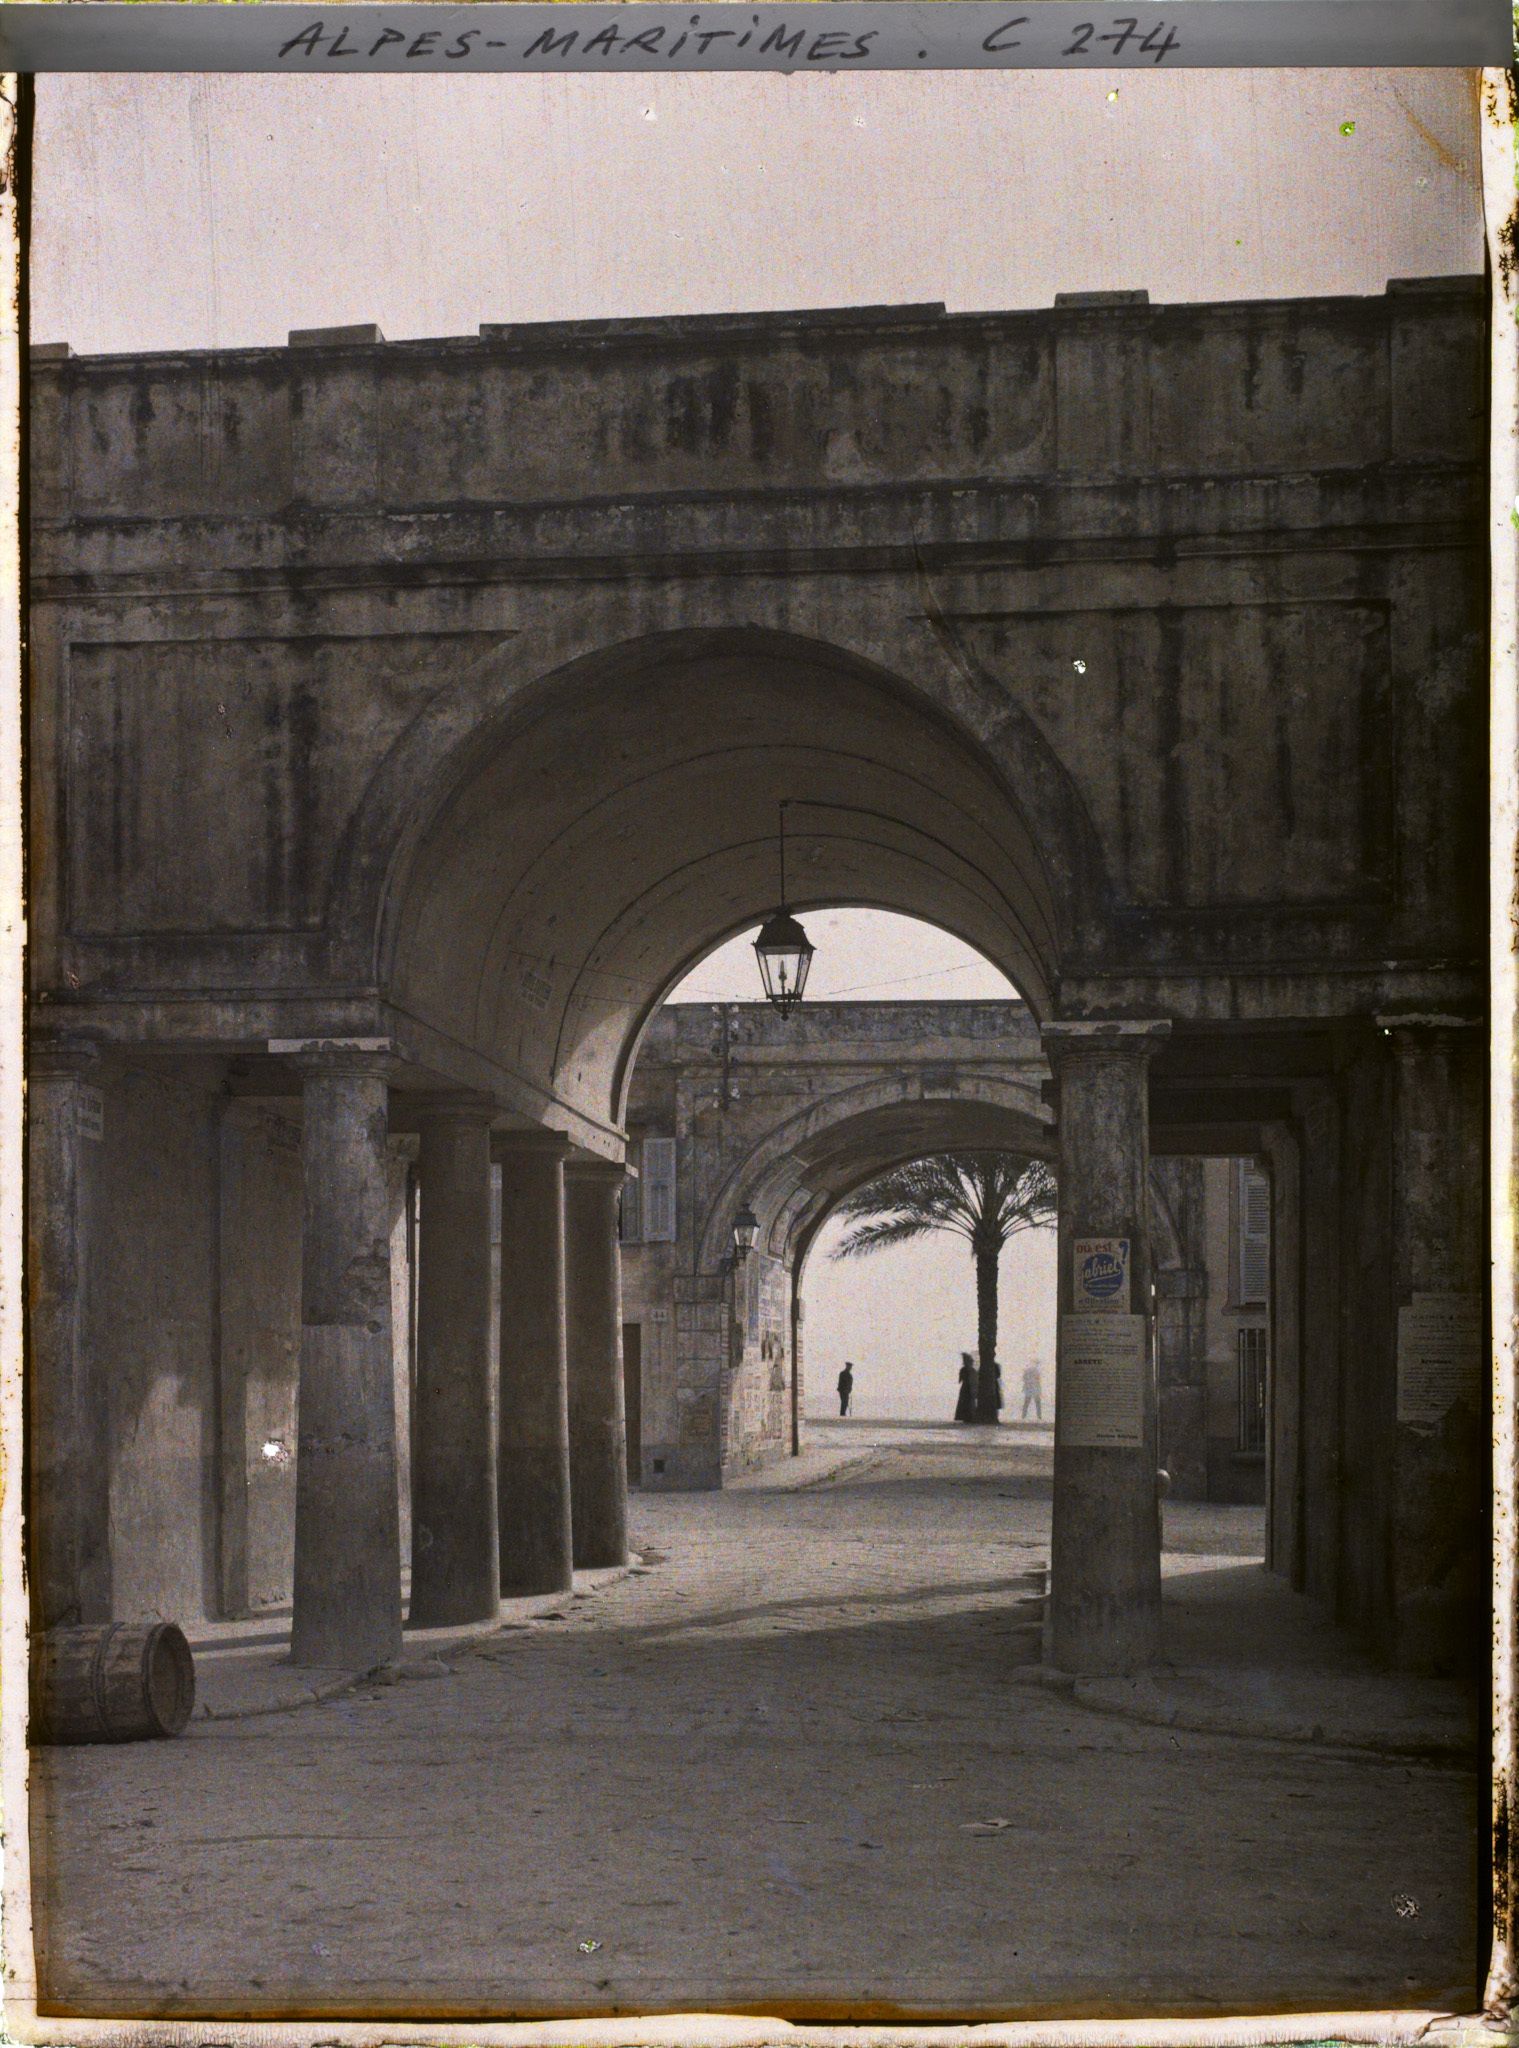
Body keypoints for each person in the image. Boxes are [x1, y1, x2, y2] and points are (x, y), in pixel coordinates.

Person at [954, 1353, 978, 1423]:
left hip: (965, 1388)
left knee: (965, 1402)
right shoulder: (972, 1370)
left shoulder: (963, 1370)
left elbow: (960, 1380)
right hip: (970, 1388)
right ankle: (971, 1417)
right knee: (970, 1402)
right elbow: (975, 1380)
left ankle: (965, 1417)